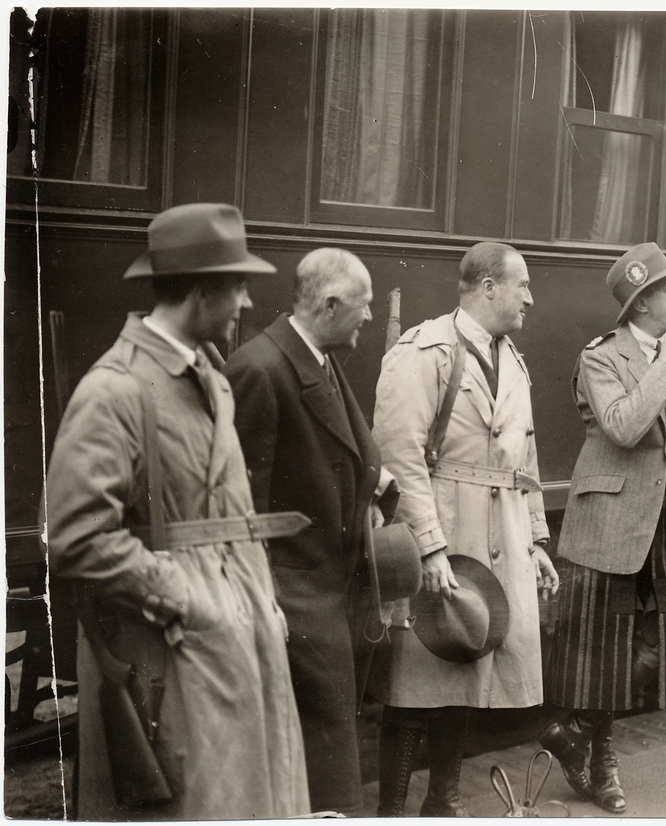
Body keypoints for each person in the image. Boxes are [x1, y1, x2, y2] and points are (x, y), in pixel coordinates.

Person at [45, 203, 309, 819]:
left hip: (235, 636)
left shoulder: (209, 376)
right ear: (201, 291)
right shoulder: (115, 389)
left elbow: (229, 511)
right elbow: (75, 535)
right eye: (238, 286)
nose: (247, 303)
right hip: (169, 647)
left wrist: (257, 600)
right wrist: (184, 596)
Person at [370, 241, 559, 816]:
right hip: (442, 528)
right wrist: (429, 547)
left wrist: (537, 540)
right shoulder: (425, 351)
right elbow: (398, 454)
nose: (531, 298)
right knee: (414, 679)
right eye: (523, 285)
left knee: (467, 665)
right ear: (488, 287)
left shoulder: (513, 360)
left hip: (499, 533)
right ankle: (391, 812)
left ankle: (443, 802)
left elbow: (525, 458)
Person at [223, 248, 399, 814]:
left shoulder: (314, 359)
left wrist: (370, 491)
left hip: (326, 594)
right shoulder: (260, 370)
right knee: (316, 762)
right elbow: (241, 509)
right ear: (330, 305)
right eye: (364, 305)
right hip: (293, 599)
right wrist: (263, 602)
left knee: (322, 753)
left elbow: (341, 453)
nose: (369, 316)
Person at [540, 242, 666, 814]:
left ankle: (576, 733)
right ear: (640, 303)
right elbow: (624, 427)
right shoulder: (600, 358)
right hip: (609, 519)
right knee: (607, 646)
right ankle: (602, 763)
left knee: (665, 640)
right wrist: (665, 363)